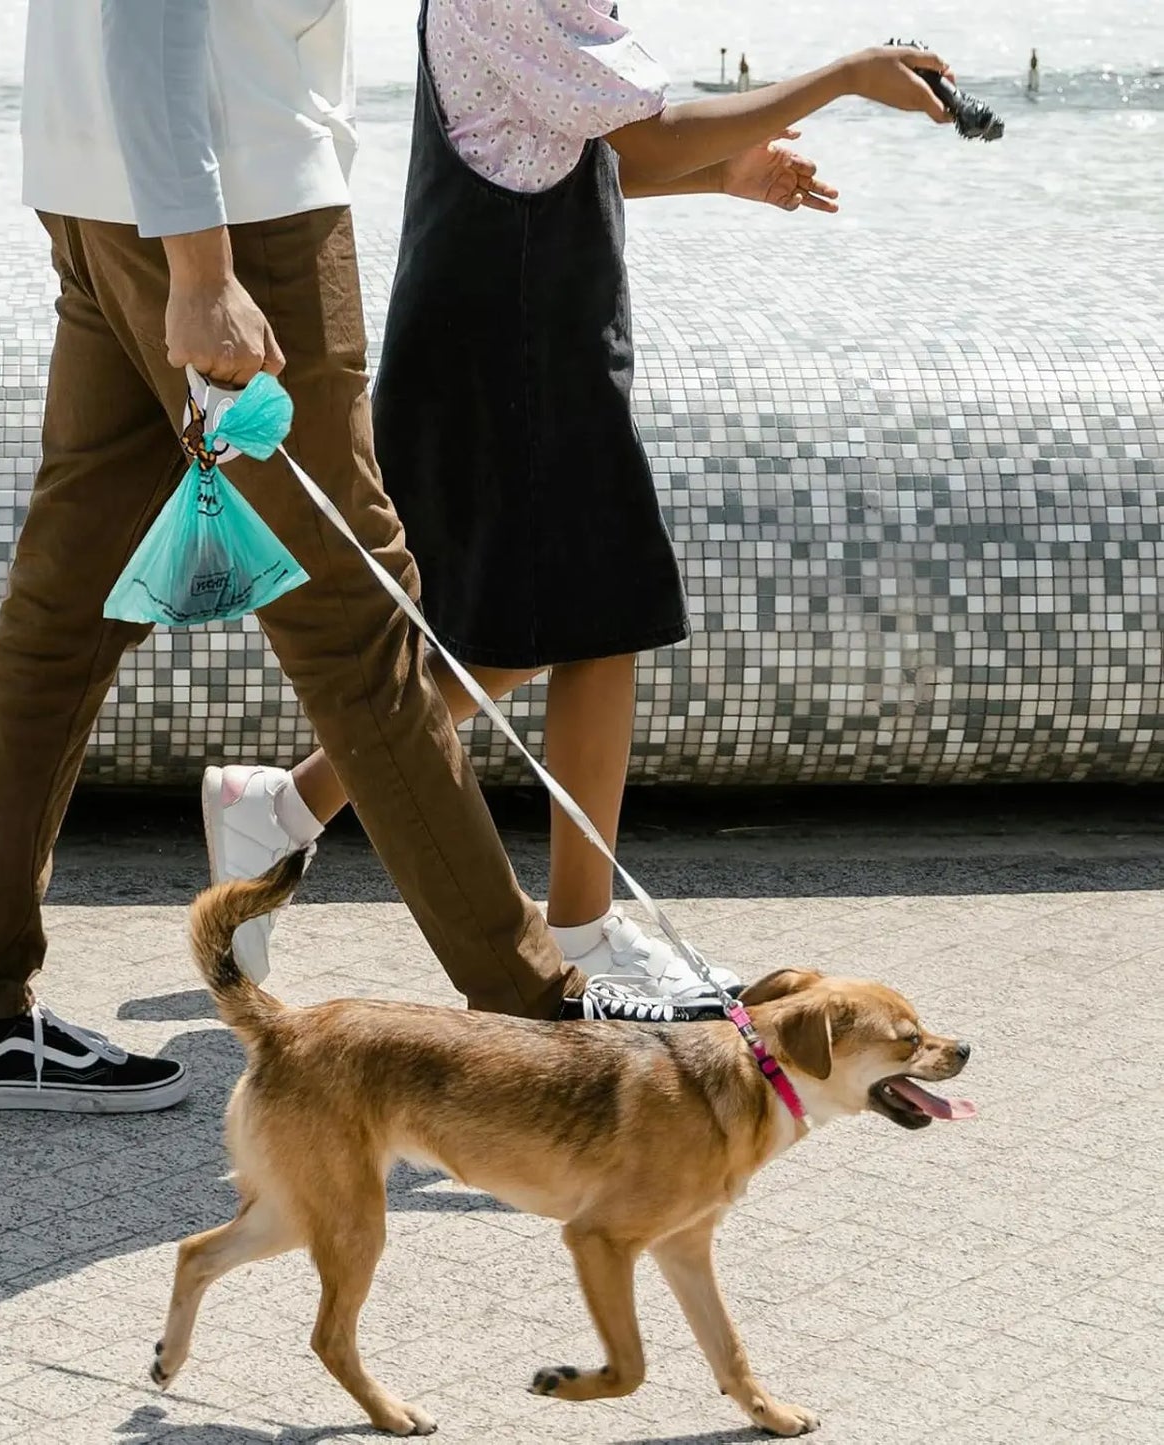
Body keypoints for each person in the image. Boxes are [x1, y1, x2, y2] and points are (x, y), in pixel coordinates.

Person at [0, 0, 730, 1116]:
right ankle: (537, 1014)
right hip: (236, 214)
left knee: (62, 615)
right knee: (356, 622)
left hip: (105, 185)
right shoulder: (220, 224)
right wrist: (199, 268)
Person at [204, 4, 952, 994]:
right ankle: (333, 826)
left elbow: (578, 155)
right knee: (555, 628)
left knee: (584, 625)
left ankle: (322, 822)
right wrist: (842, 75)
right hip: (503, 346)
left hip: (538, 340)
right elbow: (643, 133)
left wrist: (721, 174)